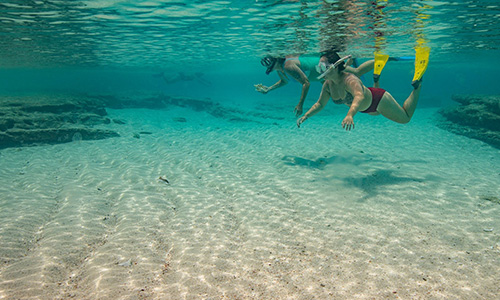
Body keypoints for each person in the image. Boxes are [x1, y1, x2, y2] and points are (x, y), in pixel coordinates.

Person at [296, 52, 425, 130]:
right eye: (319, 67)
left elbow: (359, 96)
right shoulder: (328, 84)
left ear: (334, 67)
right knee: (375, 114)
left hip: (378, 100)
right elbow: (320, 104)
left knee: (405, 118)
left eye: (322, 67)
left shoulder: (350, 80)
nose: (320, 71)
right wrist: (306, 115)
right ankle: (376, 77)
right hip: (368, 109)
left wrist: (350, 114)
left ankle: (417, 84)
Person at [255, 53, 375, 116]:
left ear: (276, 61)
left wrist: (300, 104)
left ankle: (381, 58)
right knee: (343, 99)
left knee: (357, 72)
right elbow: (285, 81)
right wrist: (269, 89)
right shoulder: (281, 70)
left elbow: (306, 83)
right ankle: (350, 61)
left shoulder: (288, 66)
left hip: (326, 69)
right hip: (323, 76)